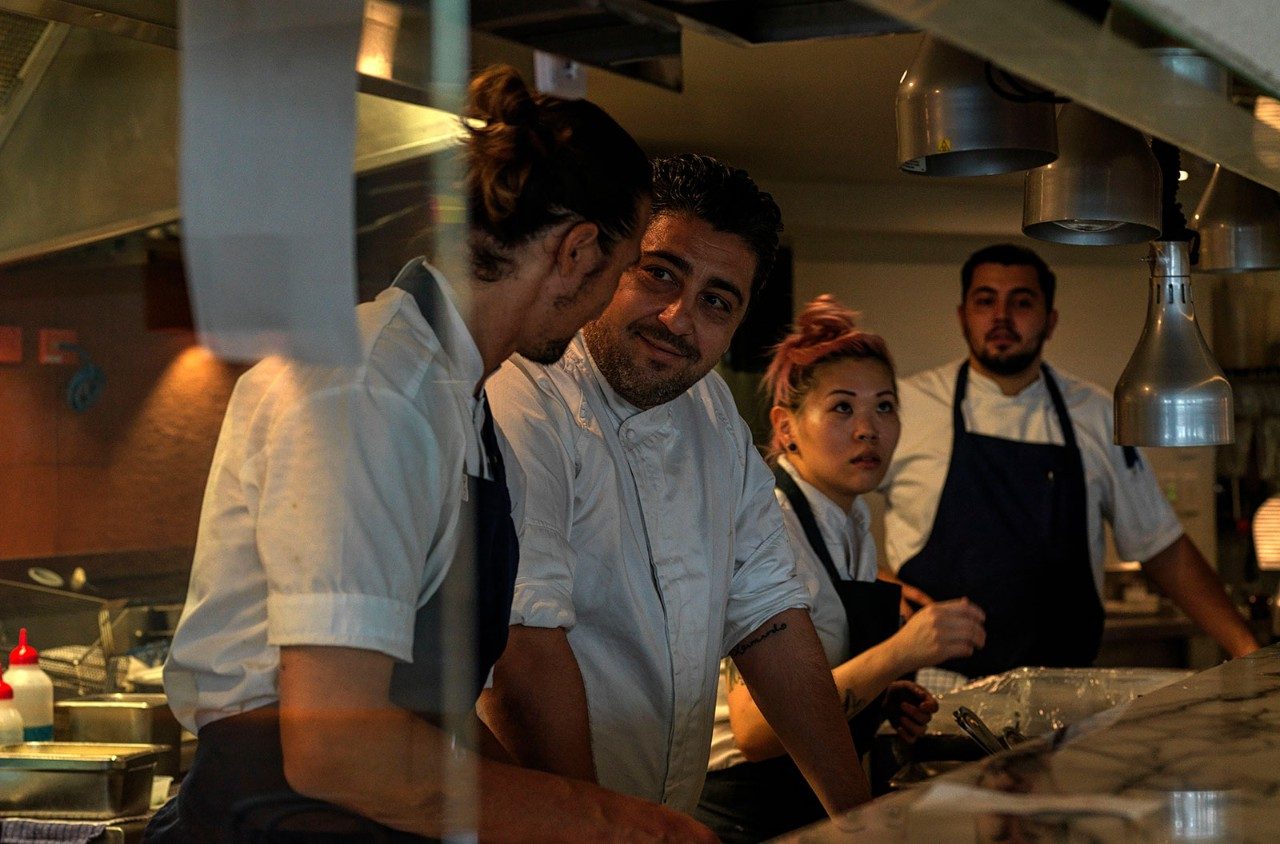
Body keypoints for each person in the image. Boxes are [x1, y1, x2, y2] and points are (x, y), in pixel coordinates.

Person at [148, 66, 714, 842]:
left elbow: (435, 721)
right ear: (579, 252)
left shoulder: (460, 400)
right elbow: (336, 747)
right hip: (275, 821)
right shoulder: (367, 391)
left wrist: (571, 814)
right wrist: (607, 822)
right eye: (620, 274)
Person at [479, 154, 870, 820]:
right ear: (607, 258)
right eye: (659, 274)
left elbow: (769, 617)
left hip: (660, 821)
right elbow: (524, 652)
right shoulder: (525, 390)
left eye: (717, 301)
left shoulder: (713, 413)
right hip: (549, 829)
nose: (677, 318)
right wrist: (598, 836)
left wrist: (863, 819)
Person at [879, 242, 1259, 691]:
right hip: (931, 693)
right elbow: (826, 500)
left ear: (1050, 320)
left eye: (1022, 302)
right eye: (985, 301)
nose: (1001, 316)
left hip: (1063, 693)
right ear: (963, 315)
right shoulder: (904, 407)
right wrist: (876, 582)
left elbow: (1162, 547)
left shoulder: (1096, 413)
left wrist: (1248, 652)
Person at [694, 295, 987, 842]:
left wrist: (881, 690)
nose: (868, 430)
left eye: (884, 406)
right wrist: (901, 651)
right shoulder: (771, 523)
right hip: (746, 810)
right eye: (842, 408)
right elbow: (756, 730)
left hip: (808, 794)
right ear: (786, 427)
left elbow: (816, 673)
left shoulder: (849, 522)